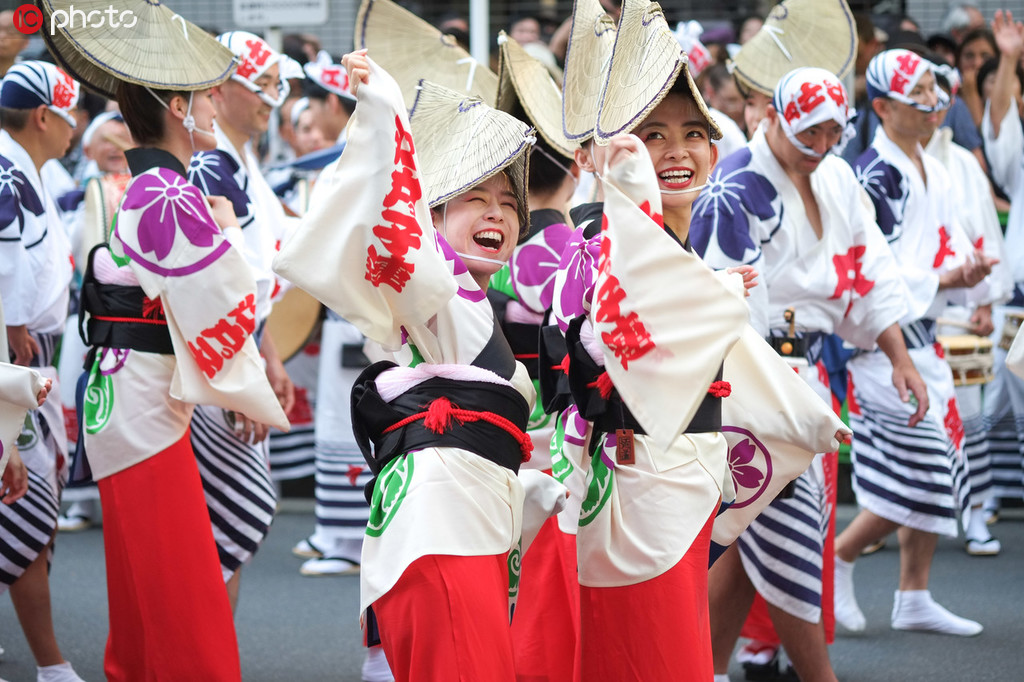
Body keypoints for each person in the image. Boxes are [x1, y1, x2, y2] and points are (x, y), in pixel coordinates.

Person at [549, 2, 847, 679]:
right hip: (634, 488)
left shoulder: (672, 248)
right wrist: (714, 298)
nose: (677, 152)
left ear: (716, 146)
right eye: (652, 135)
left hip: (687, 481)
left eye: (692, 133)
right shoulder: (600, 240)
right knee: (642, 656)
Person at [274, 50, 542, 681]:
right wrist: (385, 105)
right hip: (441, 528)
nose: (498, 214)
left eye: (508, 202)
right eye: (474, 198)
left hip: (451, 520)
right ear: (431, 219)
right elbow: (397, 217)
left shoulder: (465, 301)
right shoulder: (438, 288)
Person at [40, 4, 288, 678]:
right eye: (208, 92)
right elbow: (227, 301)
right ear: (179, 106)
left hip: (132, 394)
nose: (216, 101)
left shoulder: (152, 189)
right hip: (145, 405)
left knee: (148, 596)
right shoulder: (166, 193)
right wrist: (231, 228)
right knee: (182, 601)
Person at [692, 67, 927, 682]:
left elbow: (870, 267)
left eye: (832, 134)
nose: (821, 149)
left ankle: (709, 670)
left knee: (746, 543)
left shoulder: (839, 176)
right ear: (774, 119)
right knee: (786, 527)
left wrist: (899, 354)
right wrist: (768, 394)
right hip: (754, 384)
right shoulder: (735, 187)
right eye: (809, 135)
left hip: (810, 372)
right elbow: (725, 307)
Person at [834, 48, 997, 638]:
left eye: (935, 87)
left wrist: (968, 276)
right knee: (925, 475)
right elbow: (862, 271)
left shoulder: (929, 162)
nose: (935, 102)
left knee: (942, 471)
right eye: (919, 93)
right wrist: (946, 281)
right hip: (885, 347)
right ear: (880, 108)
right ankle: (843, 557)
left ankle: (914, 595)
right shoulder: (875, 177)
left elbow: (934, 250)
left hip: (924, 341)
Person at [186, 30, 299, 608]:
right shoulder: (208, 167)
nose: (270, 100)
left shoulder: (238, 162)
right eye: (261, 86)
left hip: (242, 353)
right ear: (220, 88)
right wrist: (239, 379)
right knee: (219, 529)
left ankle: (213, 658)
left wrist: (271, 356)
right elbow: (215, 289)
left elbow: (256, 285)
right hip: (221, 363)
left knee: (222, 533)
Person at [0, 59, 83, 682]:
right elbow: (6, 264)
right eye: (70, 112)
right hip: (15, 361)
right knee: (23, 506)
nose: (77, 125)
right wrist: (11, 324)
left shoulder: (26, 168)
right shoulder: (10, 170)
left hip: (30, 351)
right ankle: (51, 665)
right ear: (44, 116)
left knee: (29, 505)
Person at [924, 58, 1012, 556]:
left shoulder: (962, 165)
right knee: (915, 422)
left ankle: (976, 513)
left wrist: (985, 301)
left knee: (971, 418)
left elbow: (986, 233)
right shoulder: (890, 167)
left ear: (950, 102)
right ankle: (905, 517)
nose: (931, 110)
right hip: (915, 313)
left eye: (938, 100)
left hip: (961, 313)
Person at [979, 11, 1024, 530]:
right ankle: (985, 497)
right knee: (998, 399)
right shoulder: (1018, 156)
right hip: (1018, 301)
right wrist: (1009, 56)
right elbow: (999, 127)